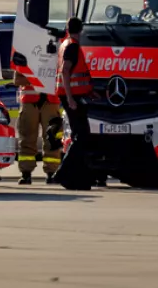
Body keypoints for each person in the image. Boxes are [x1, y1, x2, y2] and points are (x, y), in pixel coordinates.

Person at [55, 17, 95, 190]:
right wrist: (71, 98)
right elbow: (65, 71)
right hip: (72, 97)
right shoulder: (72, 46)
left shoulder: (65, 43)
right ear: (81, 30)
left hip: (75, 95)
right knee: (82, 136)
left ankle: (76, 177)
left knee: (81, 135)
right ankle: (63, 173)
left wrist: (90, 92)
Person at [14, 70, 60, 185]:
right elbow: (17, 80)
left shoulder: (57, 56)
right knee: (27, 138)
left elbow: (63, 77)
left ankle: (52, 173)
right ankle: (26, 173)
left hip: (51, 101)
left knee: (52, 139)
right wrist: (37, 78)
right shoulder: (24, 56)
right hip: (30, 102)